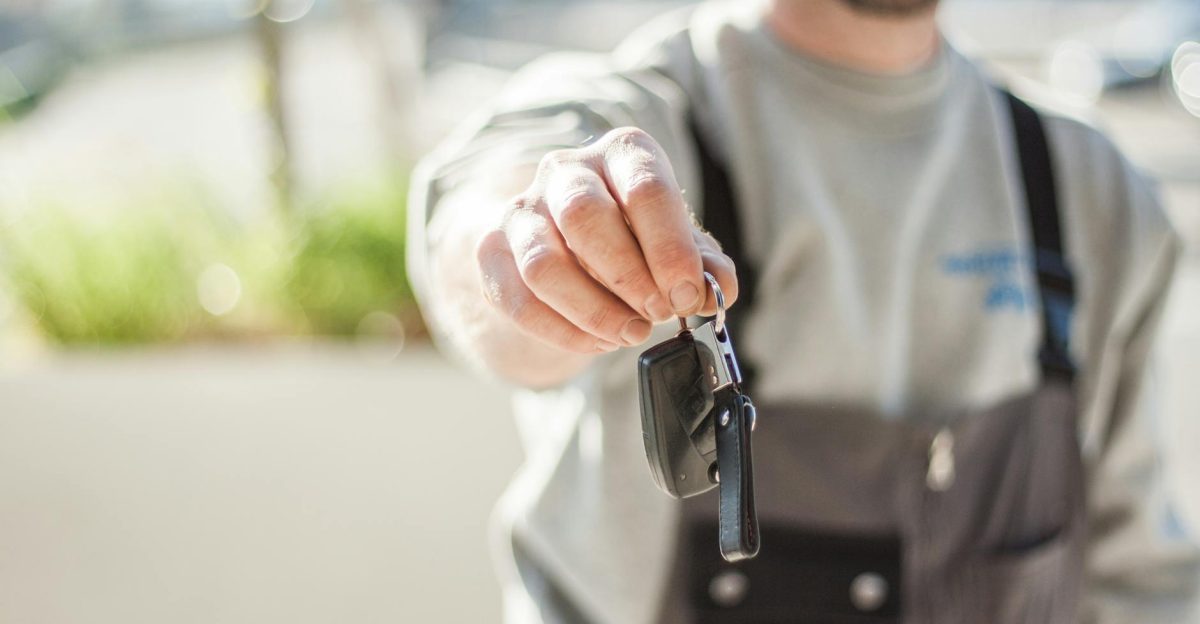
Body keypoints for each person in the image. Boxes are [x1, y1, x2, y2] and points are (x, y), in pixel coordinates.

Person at [407, 0, 1200, 621]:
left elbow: (1138, 576)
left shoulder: (1091, 189)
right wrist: (544, 248)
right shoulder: (643, 114)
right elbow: (489, 233)